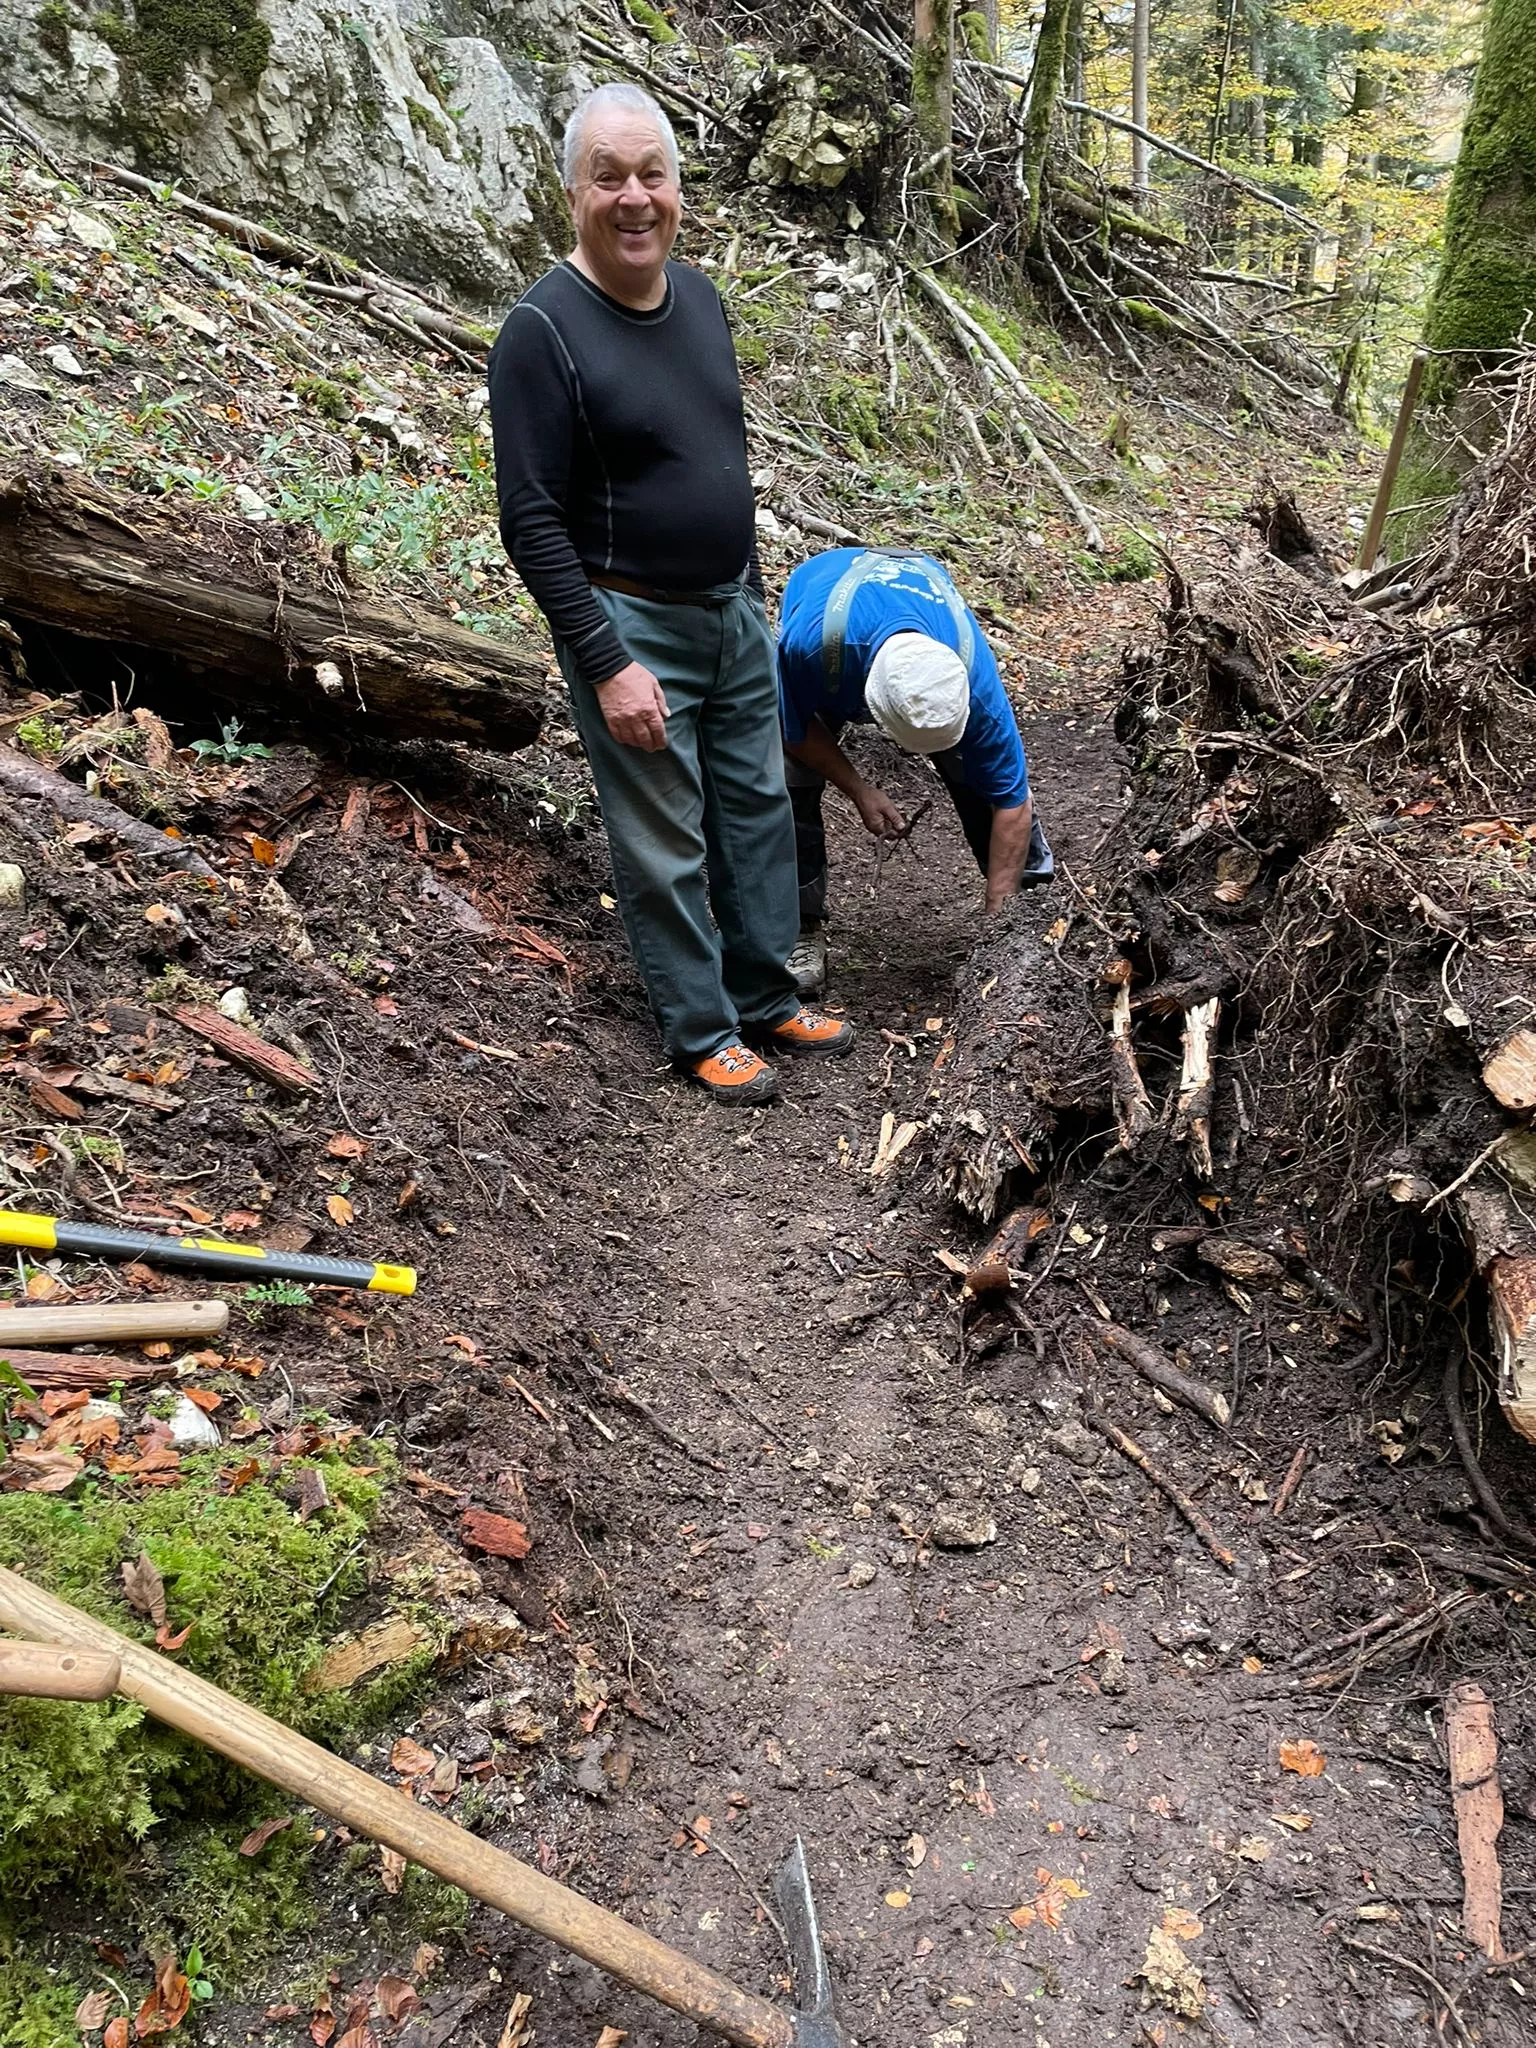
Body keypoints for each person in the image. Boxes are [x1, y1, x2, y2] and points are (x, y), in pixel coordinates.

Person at [487, 83, 854, 1103]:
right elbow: (529, 519)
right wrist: (607, 663)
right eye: (608, 177)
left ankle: (766, 993)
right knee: (666, 837)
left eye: (652, 174)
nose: (634, 197)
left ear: (677, 190)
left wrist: (754, 601)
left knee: (758, 812)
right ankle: (700, 1028)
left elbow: (721, 458)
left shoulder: (698, 300)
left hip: (730, 609)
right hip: (629, 617)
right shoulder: (542, 331)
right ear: (573, 193)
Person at [775, 547, 1053, 996]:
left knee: (983, 781)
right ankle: (800, 926)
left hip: (911, 619)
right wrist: (859, 789)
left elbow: (1012, 802)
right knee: (786, 776)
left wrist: (997, 918)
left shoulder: (977, 687)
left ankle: (1028, 914)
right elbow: (794, 728)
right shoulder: (810, 647)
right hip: (828, 606)